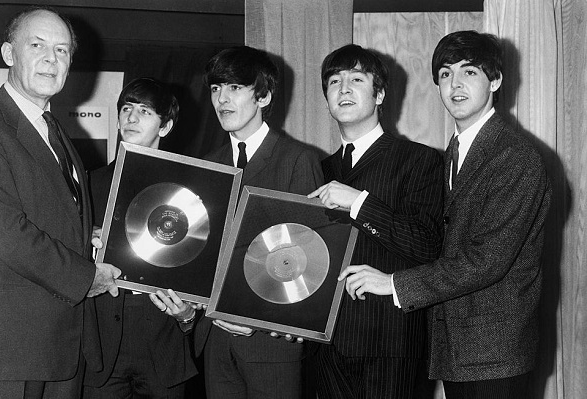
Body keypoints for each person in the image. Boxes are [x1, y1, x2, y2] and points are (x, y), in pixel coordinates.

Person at [339, 31, 552, 399]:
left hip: (495, 355)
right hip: (458, 349)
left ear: (496, 80)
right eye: (445, 74)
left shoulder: (516, 157)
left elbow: (485, 260)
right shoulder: (454, 151)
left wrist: (391, 283)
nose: (455, 84)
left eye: (469, 72)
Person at [0, 6, 120, 399]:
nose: (51, 59)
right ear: (9, 54)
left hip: (63, 347)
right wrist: (85, 277)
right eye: (38, 45)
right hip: (13, 350)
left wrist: (89, 238)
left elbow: (53, 215)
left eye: (62, 51)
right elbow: (4, 233)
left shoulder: (55, 130)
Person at [308, 44, 444, 398]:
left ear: (379, 93)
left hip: (391, 343)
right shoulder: (317, 169)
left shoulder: (419, 160)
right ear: (326, 99)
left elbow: (427, 245)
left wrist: (359, 203)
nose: (344, 89)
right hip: (325, 346)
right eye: (334, 81)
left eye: (356, 79)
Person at [193, 45, 324, 399]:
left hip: (272, 343)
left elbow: (308, 259)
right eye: (216, 88)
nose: (222, 99)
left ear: (263, 96)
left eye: (235, 88)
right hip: (215, 339)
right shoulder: (208, 164)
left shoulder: (299, 160)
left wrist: (253, 318)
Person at [83, 77, 200, 398]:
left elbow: (202, 265)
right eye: (126, 108)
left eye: (145, 111)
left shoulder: (190, 189)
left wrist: (188, 317)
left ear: (166, 126)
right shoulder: (89, 183)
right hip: (102, 349)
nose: (131, 118)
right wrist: (86, 243)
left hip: (163, 342)